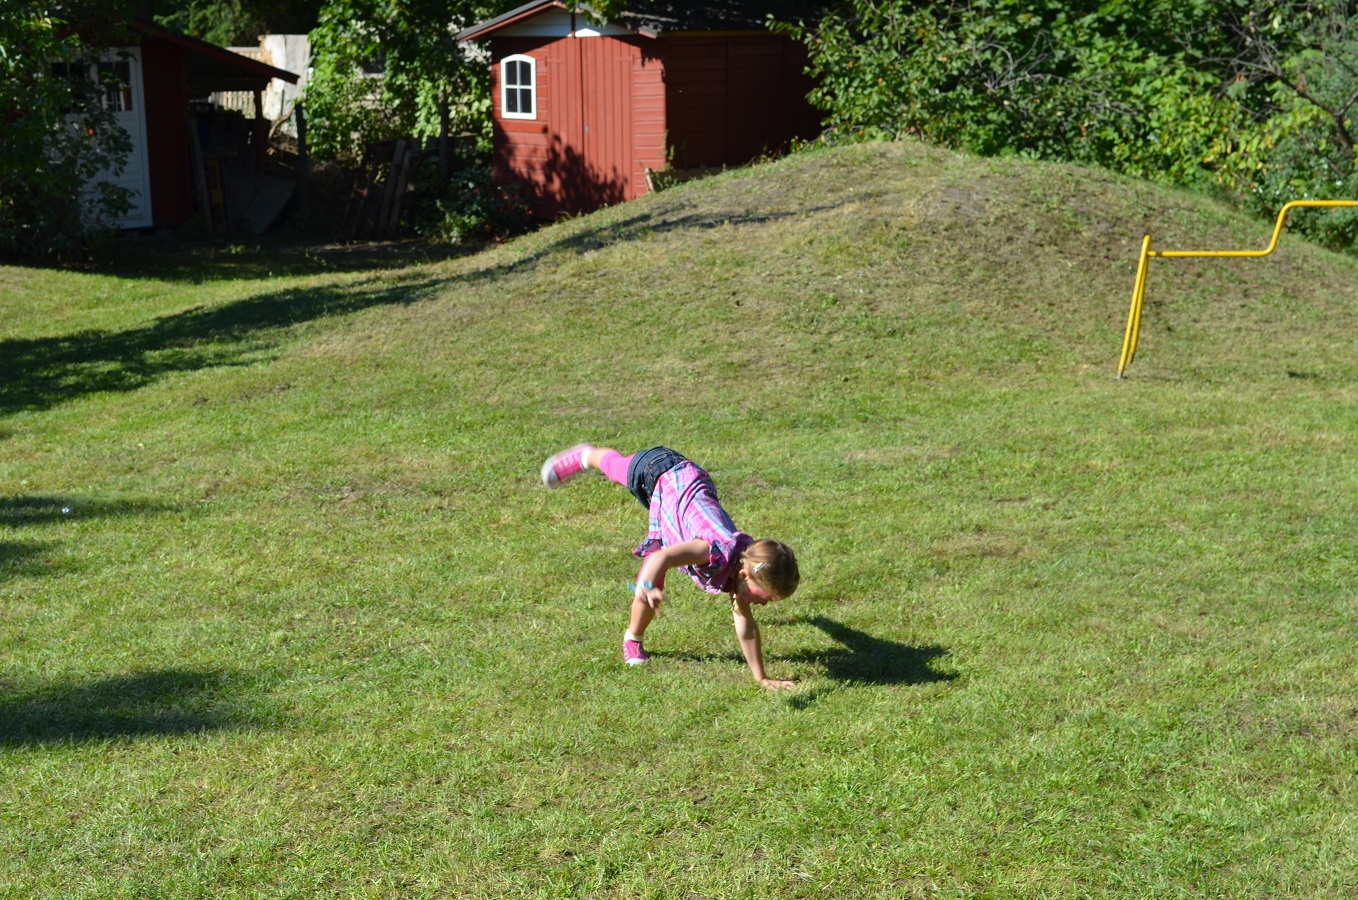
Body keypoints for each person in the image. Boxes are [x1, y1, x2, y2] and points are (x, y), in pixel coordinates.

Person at [541, 443, 800, 690]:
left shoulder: (743, 570)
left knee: (655, 580)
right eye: (764, 597)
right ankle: (587, 456)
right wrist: (645, 584)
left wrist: (762, 678)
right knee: (614, 468)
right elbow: (658, 558)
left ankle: (634, 637)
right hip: (656, 470)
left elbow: (747, 628)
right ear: (745, 575)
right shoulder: (709, 551)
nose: (764, 604)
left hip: (677, 493)